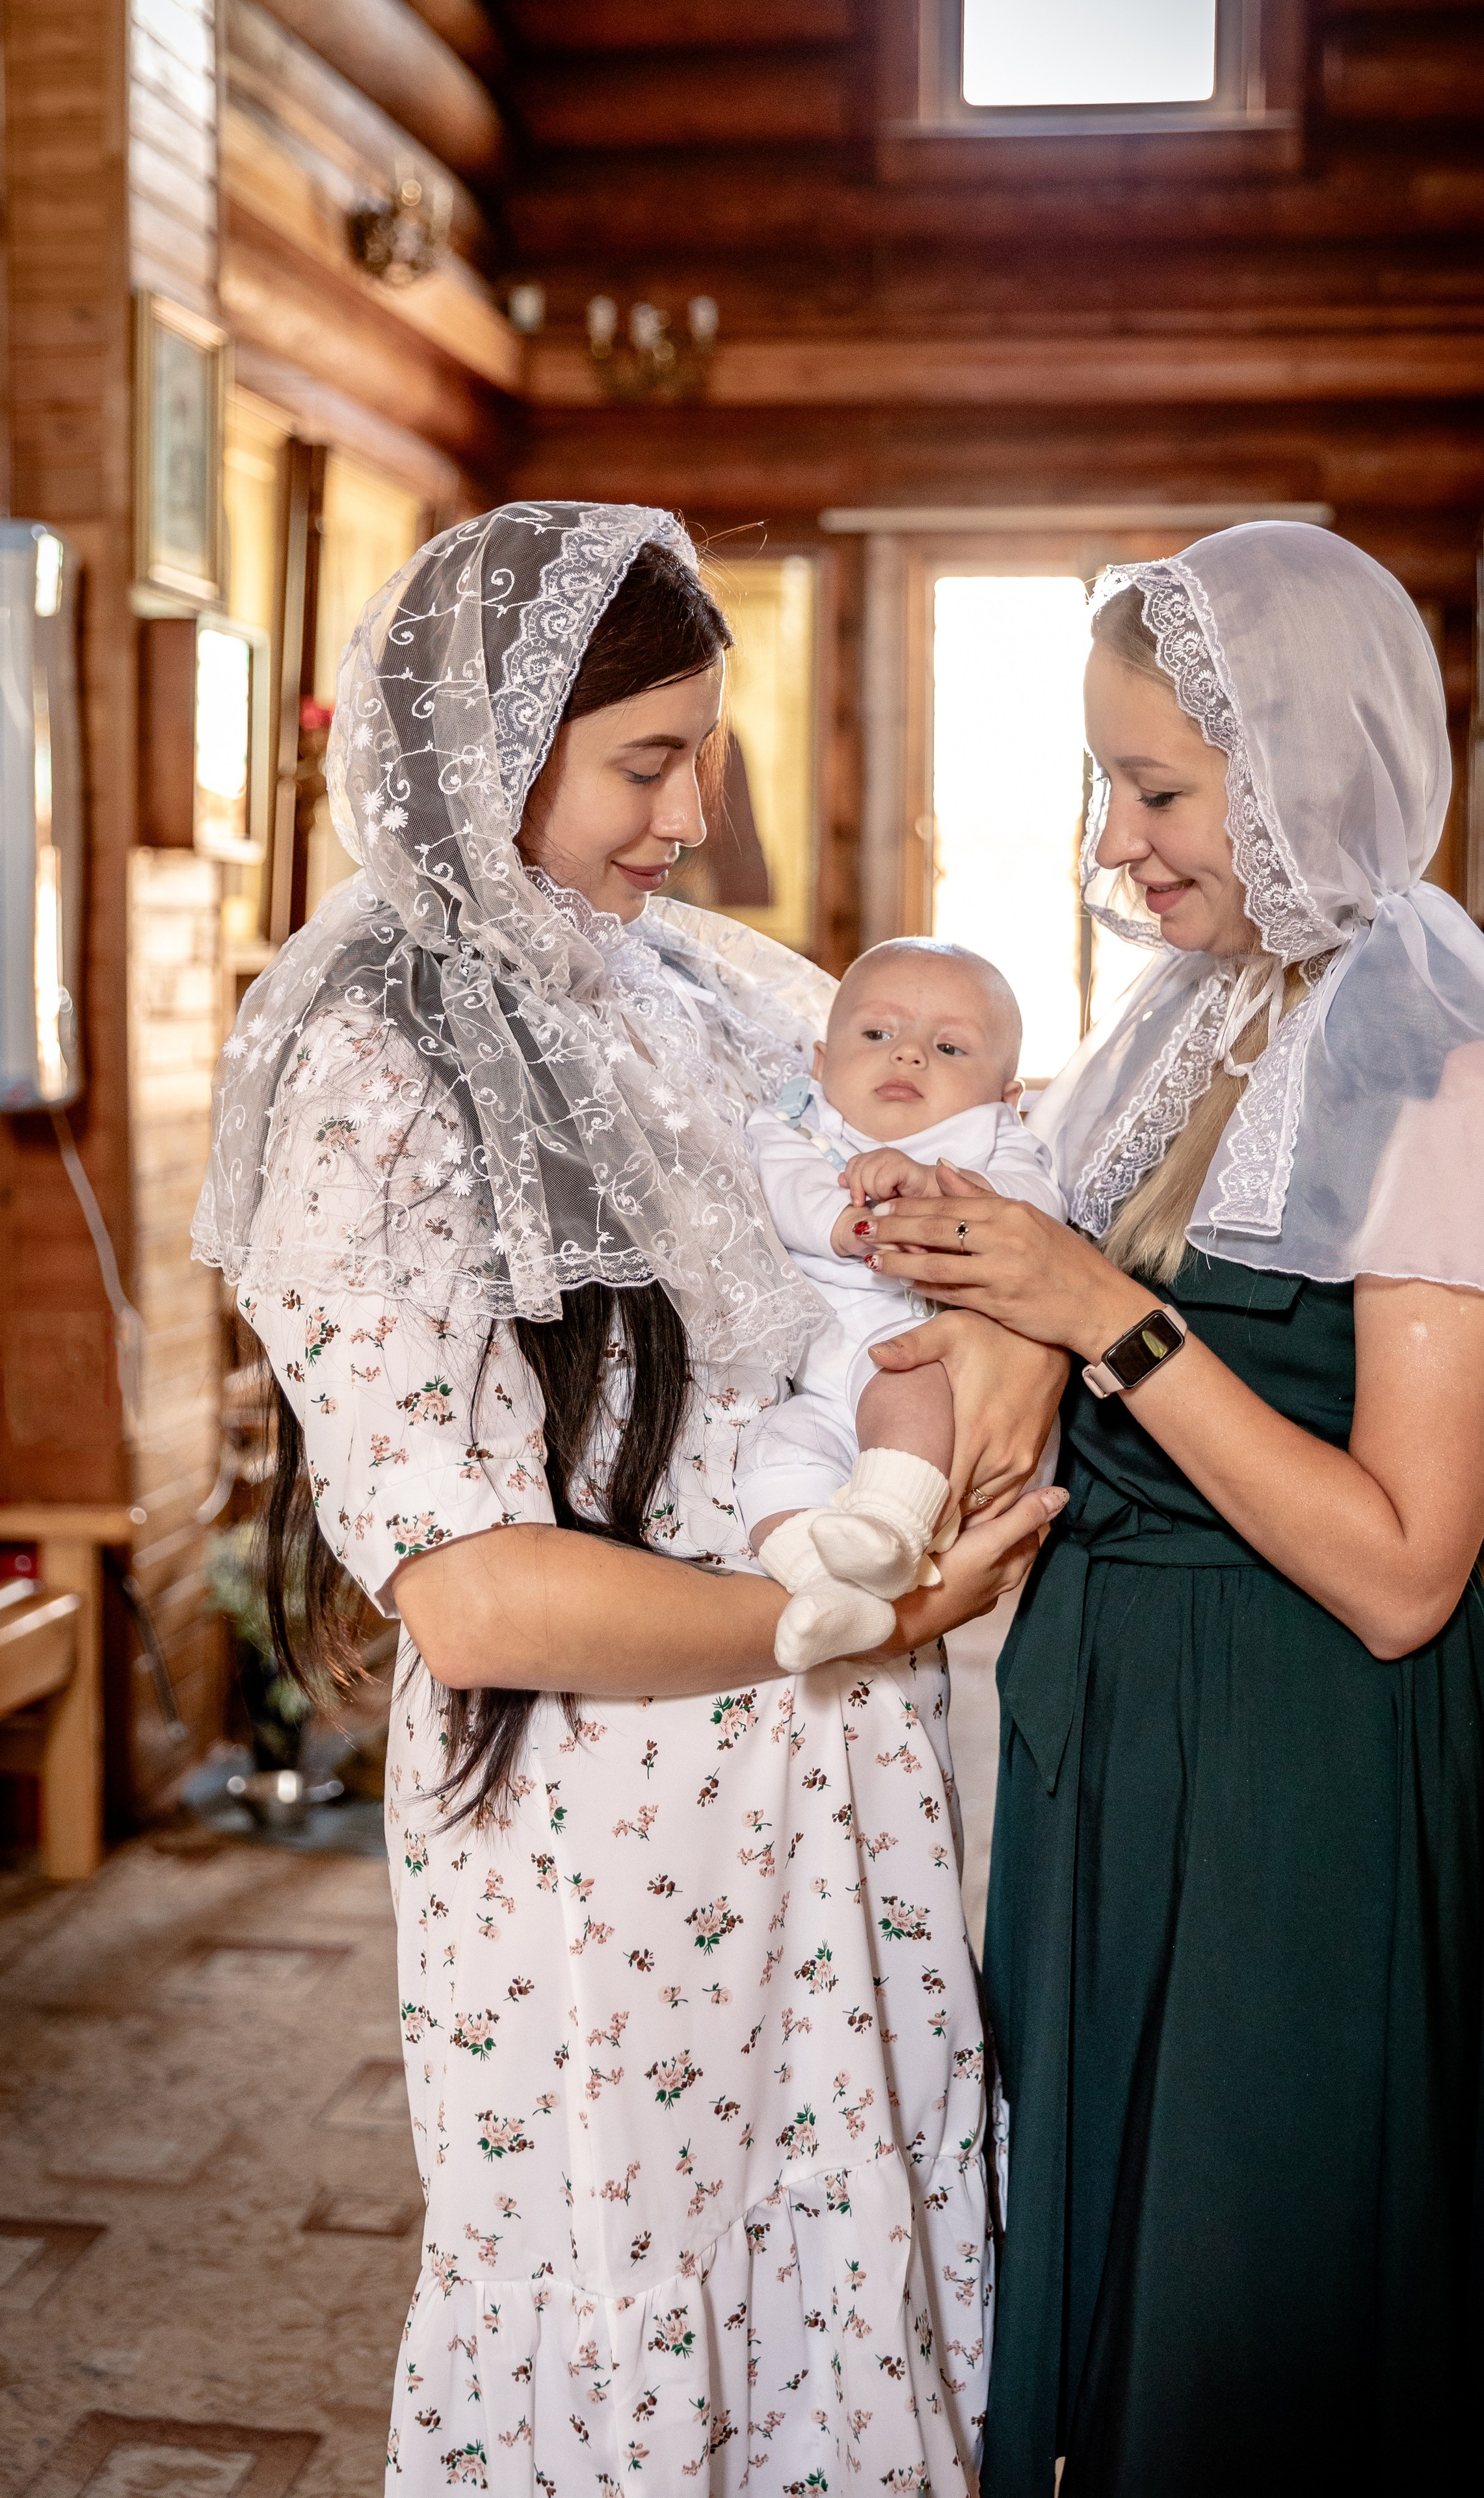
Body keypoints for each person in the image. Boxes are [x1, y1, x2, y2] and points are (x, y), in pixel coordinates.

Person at [192, 500, 1066, 2495]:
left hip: (832, 1779)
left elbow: (926, 1224)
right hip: (610, 1821)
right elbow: (478, 1595)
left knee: (856, 2267)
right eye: (643, 759)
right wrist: (862, 1614)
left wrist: (998, 1333)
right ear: (487, 754)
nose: (689, 815)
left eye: (707, 750)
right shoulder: (370, 1063)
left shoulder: (700, 992)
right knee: (640, 2286)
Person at [861, 522, 1484, 2495]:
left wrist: (1098, 1312)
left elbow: (1396, 1570)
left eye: (1158, 787)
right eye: (1110, 784)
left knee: (1246, 2301)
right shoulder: (1197, 1023)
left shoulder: (1448, 1079)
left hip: (1294, 1759)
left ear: (1295, 770)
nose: (1116, 842)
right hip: (1111, 1713)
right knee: (1097, 2243)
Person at [739, 937, 1065, 1671]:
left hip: (920, 1361)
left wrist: (930, 1190)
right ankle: (825, 1589)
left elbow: (1034, 1212)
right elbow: (782, 1186)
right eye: (878, 1034)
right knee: (771, 1449)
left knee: (905, 1376)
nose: (909, 1055)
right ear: (822, 1064)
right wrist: (844, 1222)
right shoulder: (794, 1123)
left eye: (949, 1048)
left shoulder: (993, 1140)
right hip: (817, 1375)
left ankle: (887, 1528)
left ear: (1005, 1095)